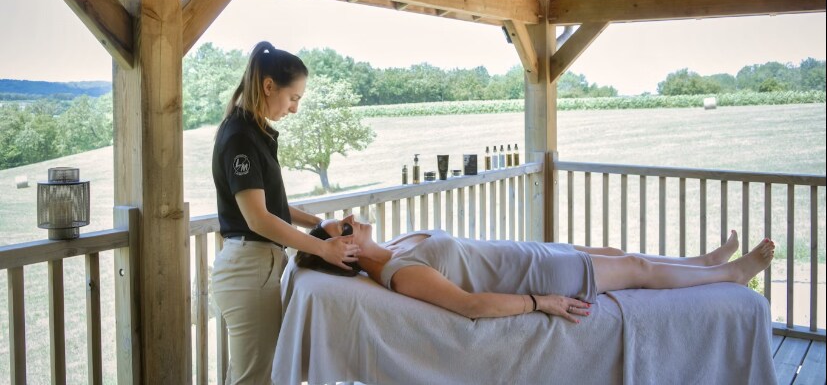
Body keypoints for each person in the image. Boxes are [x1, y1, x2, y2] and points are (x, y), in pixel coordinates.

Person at [211, 41, 361, 384]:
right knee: (255, 379)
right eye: (293, 98)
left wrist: (321, 224)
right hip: (248, 271)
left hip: (255, 269)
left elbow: (271, 207)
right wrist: (323, 248)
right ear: (268, 86)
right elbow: (257, 219)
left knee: (259, 373)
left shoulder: (252, 132)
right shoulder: (240, 137)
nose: (294, 109)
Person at [295, 215, 774, 321]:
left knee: (614, 249)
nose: (350, 220)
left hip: (530, 251)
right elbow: (471, 305)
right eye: (343, 228)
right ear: (346, 252)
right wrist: (538, 303)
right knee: (636, 267)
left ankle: (704, 262)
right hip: (536, 277)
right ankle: (730, 275)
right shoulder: (400, 275)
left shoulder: (398, 245)